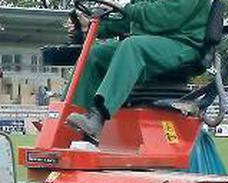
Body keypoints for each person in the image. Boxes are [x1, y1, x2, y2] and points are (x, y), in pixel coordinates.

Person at [65, 0, 211, 140]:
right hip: (151, 41)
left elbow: (166, 17)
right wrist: (93, 25)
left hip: (183, 44)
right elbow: (132, 21)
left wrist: (126, 8)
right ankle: (67, 117)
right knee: (95, 54)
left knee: (132, 47)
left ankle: (98, 116)